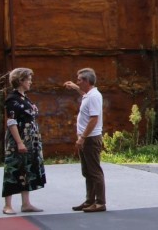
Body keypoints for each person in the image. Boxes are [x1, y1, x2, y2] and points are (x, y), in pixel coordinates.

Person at [2, 67, 46, 215]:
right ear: (20, 81)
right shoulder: (12, 99)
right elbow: (11, 121)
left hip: (29, 140)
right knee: (13, 169)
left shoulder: (24, 98)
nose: (31, 82)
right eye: (28, 79)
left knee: (26, 169)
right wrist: (19, 142)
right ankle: (7, 205)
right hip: (18, 140)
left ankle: (26, 203)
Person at [64, 67, 106, 213]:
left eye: (79, 80)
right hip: (86, 138)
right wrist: (76, 88)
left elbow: (94, 119)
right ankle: (90, 200)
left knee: (94, 171)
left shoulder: (94, 96)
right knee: (87, 171)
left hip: (90, 139)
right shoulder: (89, 94)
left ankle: (100, 202)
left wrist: (82, 138)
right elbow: (84, 95)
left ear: (87, 81)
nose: (77, 81)